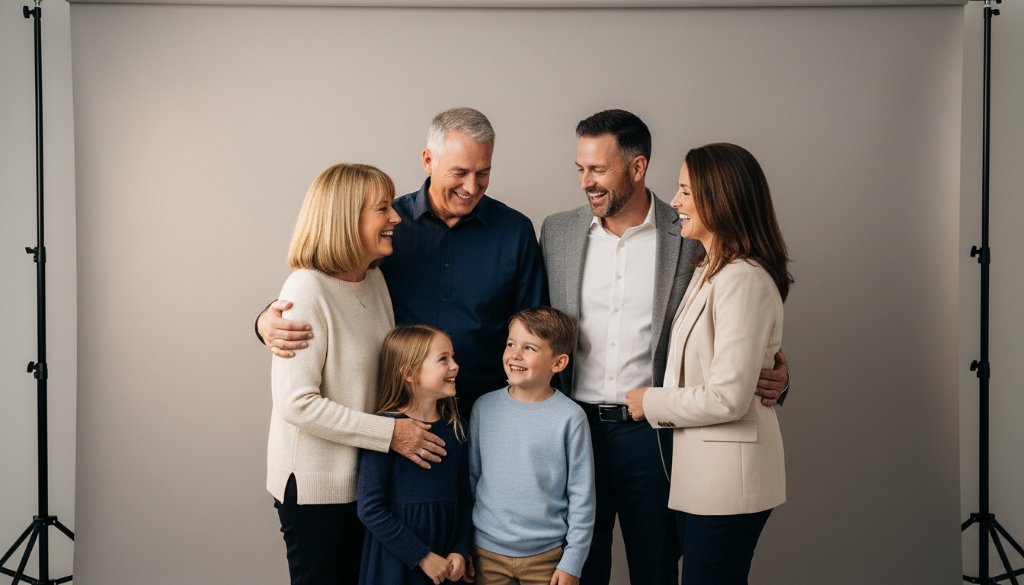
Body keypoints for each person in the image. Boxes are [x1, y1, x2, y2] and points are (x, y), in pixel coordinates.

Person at [540, 110, 789, 585]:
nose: (585, 182)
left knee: (656, 567)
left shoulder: (692, 232)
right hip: (575, 430)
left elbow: (739, 335)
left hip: (655, 436)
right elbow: (536, 329)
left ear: (637, 167)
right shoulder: (557, 232)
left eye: (599, 170)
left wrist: (777, 374)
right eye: (580, 169)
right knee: (577, 568)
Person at [257, 107, 547, 417]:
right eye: (460, 172)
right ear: (427, 161)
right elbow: (332, 285)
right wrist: (266, 320)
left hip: (489, 411)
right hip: (398, 413)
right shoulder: (385, 226)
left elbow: (536, 325)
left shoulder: (515, 230)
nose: (472, 187)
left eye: (483, 173)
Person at [625, 143, 791, 584]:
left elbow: (728, 398)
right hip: (701, 479)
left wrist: (650, 402)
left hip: (728, 485)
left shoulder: (742, 279)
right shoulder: (709, 269)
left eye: (685, 192)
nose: (674, 203)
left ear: (721, 199)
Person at [269, 163, 412, 584]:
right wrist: (391, 436)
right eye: (382, 209)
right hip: (316, 490)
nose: (396, 218)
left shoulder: (374, 281)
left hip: (365, 484)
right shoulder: (305, 290)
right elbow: (297, 403)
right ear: (347, 218)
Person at [469, 307, 595, 585]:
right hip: (486, 553)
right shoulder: (484, 408)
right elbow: (472, 481)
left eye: (529, 348)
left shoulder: (571, 418)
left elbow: (582, 497)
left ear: (558, 363)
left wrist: (573, 561)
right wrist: (466, 543)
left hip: (547, 558)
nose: (514, 354)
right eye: (511, 344)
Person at [357, 325, 473, 585]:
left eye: (453, 357)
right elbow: (370, 508)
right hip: (396, 562)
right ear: (409, 373)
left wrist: (460, 549)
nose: (455, 366)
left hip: (447, 560)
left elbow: (465, 497)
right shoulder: (385, 429)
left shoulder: (456, 428)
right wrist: (422, 556)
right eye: (444, 359)